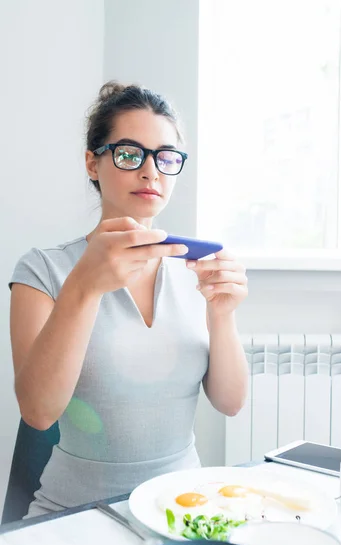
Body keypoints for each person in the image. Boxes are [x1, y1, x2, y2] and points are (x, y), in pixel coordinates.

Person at [9, 81, 249, 518]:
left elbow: (231, 403)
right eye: (129, 153)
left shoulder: (197, 270)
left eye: (166, 157)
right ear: (93, 163)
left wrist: (223, 313)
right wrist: (83, 287)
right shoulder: (43, 270)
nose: (151, 171)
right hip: (72, 514)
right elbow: (39, 412)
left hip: (180, 508)